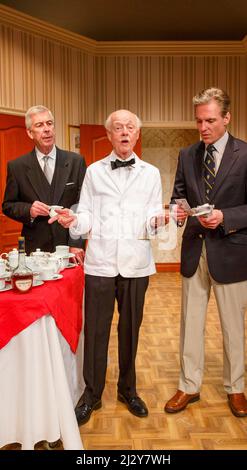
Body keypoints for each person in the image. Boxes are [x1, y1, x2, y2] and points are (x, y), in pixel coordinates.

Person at [50, 109, 166, 424]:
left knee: (130, 331)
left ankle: (128, 389)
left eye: (130, 127)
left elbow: (154, 216)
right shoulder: (95, 171)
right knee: (96, 332)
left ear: (137, 134)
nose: (124, 132)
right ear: (111, 135)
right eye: (118, 128)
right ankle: (91, 394)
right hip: (99, 264)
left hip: (136, 264)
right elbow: (86, 212)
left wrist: (157, 221)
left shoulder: (151, 173)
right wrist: (75, 220)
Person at [164, 87, 247, 418]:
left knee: (233, 326)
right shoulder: (187, 154)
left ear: (227, 118)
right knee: (190, 322)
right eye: (199, 121)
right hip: (194, 250)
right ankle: (188, 385)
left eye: (210, 120)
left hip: (232, 251)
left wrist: (226, 217)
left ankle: (236, 387)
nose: (203, 127)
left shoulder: (245, 154)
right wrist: (177, 211)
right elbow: (177, 195)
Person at [2, 105, 86, 262]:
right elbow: (8, 205)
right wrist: (29, 210)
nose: (47, 129)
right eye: (39, 125)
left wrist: (76, 243)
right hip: (35, 251)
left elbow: (83, 205)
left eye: (49, 123)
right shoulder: (17, 166)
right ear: (29, 132)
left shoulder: (76, 161)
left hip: (69, 249)